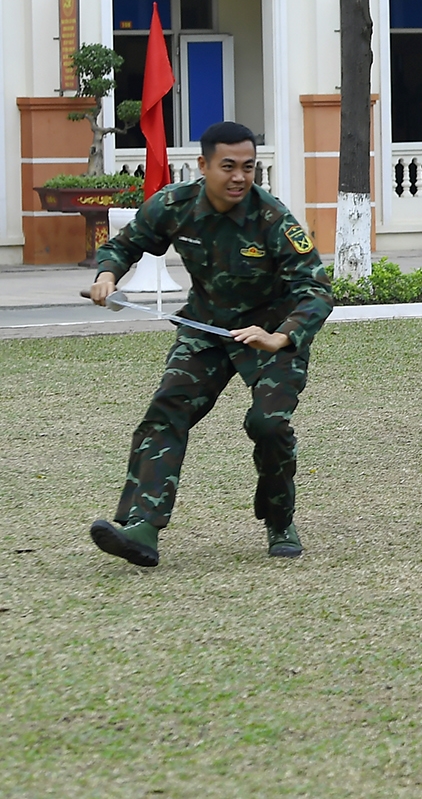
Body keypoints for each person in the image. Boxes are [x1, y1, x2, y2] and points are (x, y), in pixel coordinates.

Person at [84, 121, 333, 567]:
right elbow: (125, 244)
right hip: (207, 329)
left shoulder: (272, 218)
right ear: (203, 165)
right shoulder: (175, 205)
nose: (239, 177)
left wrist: (280, 337)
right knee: (166, 411)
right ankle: (141, 527)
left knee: (268, 425)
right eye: (229, 166)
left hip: (271, 332)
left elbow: (315, 288)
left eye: (249, 167)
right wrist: (106, 276)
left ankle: (280, 521)